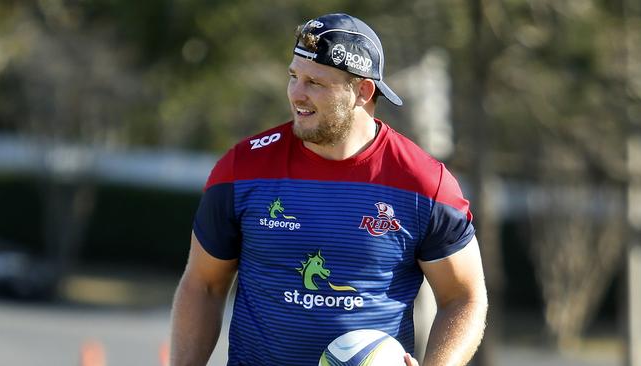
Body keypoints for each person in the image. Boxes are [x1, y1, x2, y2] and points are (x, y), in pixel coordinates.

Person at [170, 12, 487, 366]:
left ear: (363, 91)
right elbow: (203, 285)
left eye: (315, 83)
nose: (296, 94)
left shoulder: (425, 184)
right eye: (293, 76)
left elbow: (463, 296)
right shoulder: (242, 169)